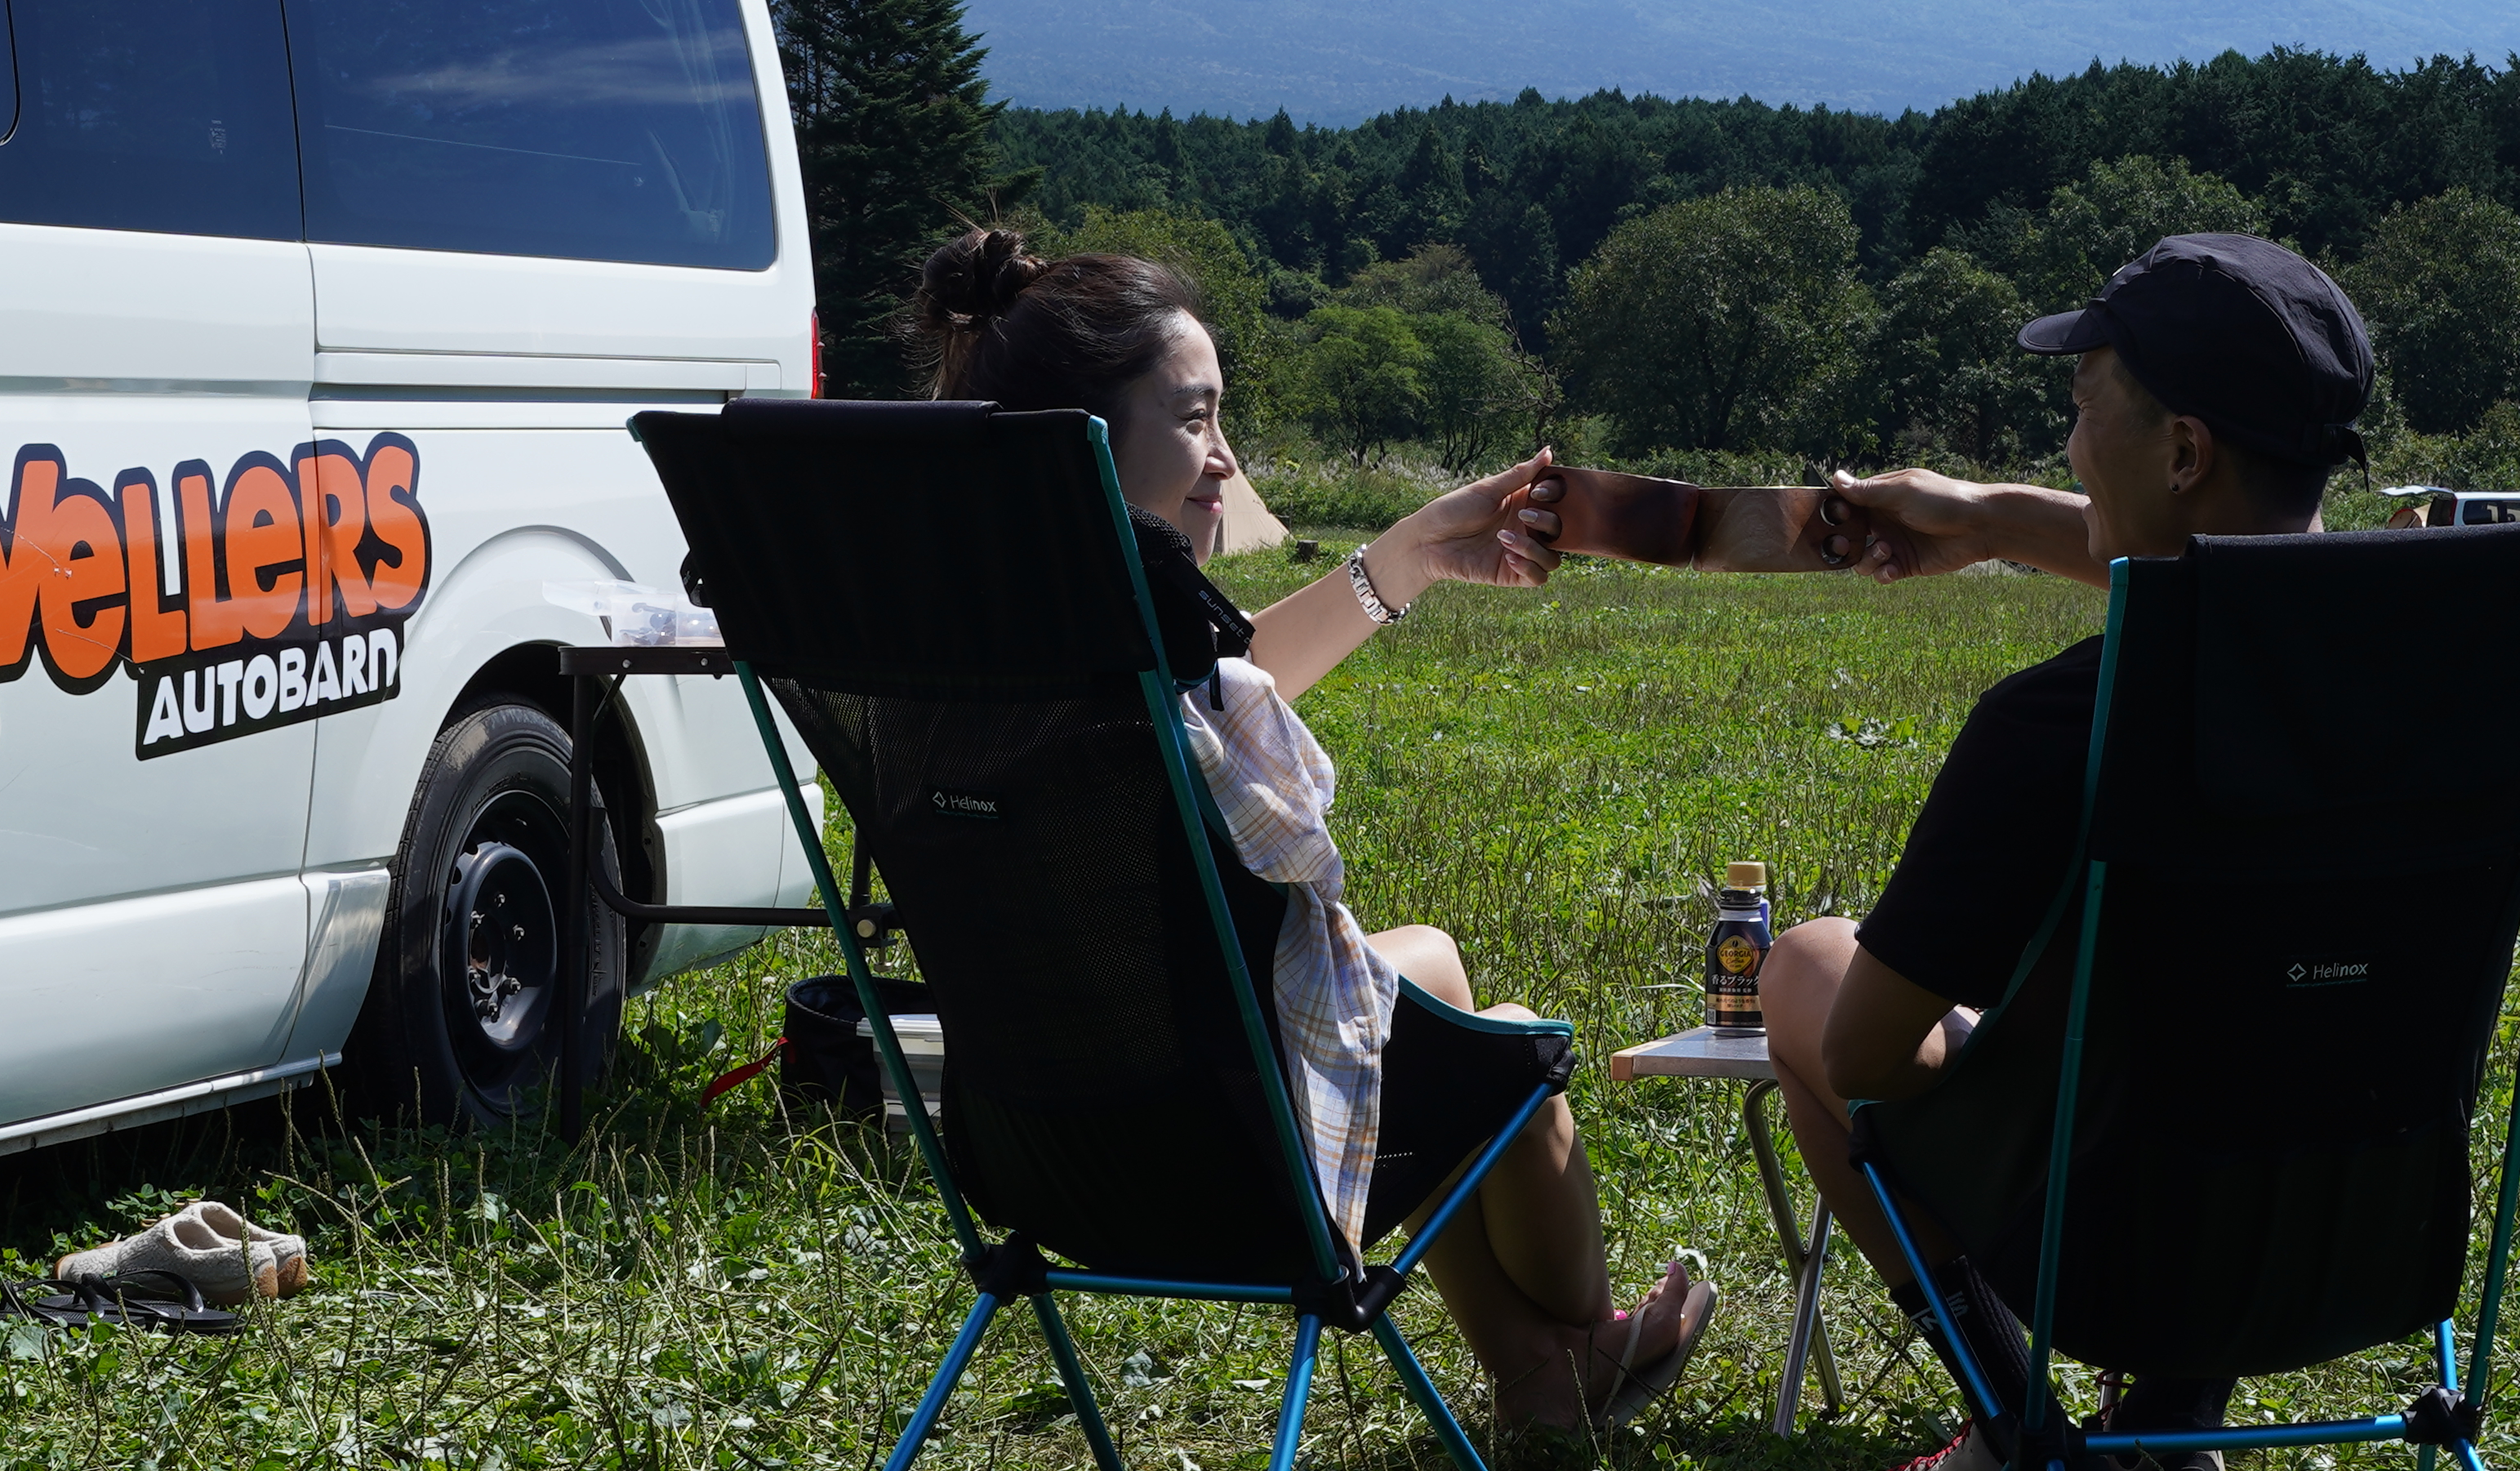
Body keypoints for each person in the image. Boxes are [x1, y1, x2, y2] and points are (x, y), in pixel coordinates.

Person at [905, 229, 1716, 1428]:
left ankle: (1532, 1371)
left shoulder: (959, 635)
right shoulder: (1134, 615)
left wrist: (1409, 558)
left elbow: (1233, 674)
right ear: (1078, 436)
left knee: (1426, 961)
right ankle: (1581, 1346)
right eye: (1194, 419)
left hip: (1029, 1153)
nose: (1226, 461)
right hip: (1218, 1163)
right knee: (1499, 1046)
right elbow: (1242, 691)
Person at [1765, 233, 2382, 1471]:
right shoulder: (2440, 667)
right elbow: (2228, 576)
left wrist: (2014, 992)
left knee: (1808, 975)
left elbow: (1869, 1057)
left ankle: (2018, 1421)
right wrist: (1988, 519)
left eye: (2082, 409)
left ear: (2186, 450)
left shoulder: (2062, 724)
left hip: (2106, 1241)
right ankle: (2173, 1421)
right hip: (2359, 1219)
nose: (2067, 448)